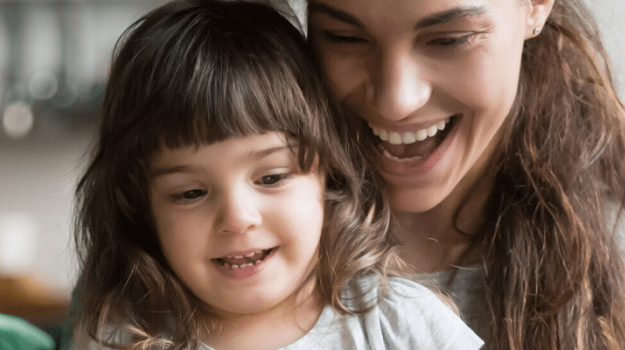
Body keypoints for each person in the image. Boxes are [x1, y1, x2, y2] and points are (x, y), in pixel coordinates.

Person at [64, 0, 484, 349]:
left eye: (271, 178)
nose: (237, 217)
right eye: (190, 192)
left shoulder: (401, 324)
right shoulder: (123, 336)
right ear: (142, 208)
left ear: (328, 175)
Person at [306, 0, 625, 349]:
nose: (396, 101)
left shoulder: (615, 227)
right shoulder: (254, 240)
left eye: (450, 40)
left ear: (536, 6)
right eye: (345, 38)